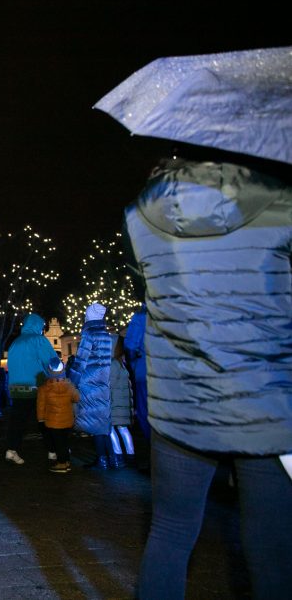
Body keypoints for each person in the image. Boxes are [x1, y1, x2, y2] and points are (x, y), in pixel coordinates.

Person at [126, 153, 292, 599]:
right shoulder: (278, 204)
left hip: (181, 400)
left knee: (171, 530)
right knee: (272, 540)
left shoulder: (142, 218)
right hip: (264, 400)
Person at [3, 313, 58, 465]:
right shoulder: (38, 340)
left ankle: (11, 449)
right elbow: (52, 361)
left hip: (16, 388)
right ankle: (53, 451)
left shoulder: (15, 343)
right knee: (45, 419)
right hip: (36, 387)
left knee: (17, 420)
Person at [69, 303, 114, 470]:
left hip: (90, 382)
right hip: (103, 381)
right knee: (103, 420)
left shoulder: (88, 334)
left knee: (94, 422)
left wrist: (71, 381)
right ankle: (113, 458)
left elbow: (80, 361)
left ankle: (101, 459)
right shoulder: (107, 335)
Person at [36, 357, 79, 473]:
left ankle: (62, 464)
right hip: (68, 419)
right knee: (65, 442)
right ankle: (67, 462)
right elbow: (76, 398)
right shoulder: (69, 385)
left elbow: (41, 405)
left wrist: (40, 419)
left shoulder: (44, 388)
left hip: (53, 421)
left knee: (58, 443)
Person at [122, 304, 149, 441]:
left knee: (145, 411)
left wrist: (132, 364)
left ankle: (152, 443)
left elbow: (130, 347)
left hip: (145, 372)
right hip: (173, 372)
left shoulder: (140, 317)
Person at [108, 335, 135, 466]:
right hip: (122, 404)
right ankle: (131, 454)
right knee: (123, 429)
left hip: (115, 404)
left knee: (111, 429)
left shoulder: (113, 364)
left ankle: (118, 454)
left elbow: (110, 385)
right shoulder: (122, 363)